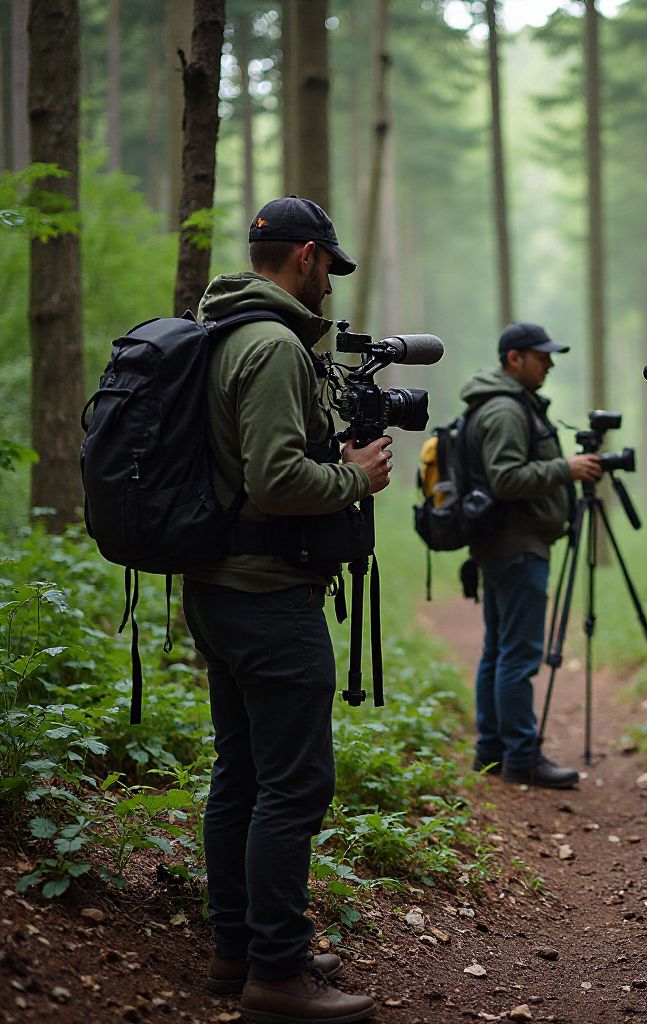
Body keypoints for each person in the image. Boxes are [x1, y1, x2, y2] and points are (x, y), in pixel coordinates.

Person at [183, 196, 390, 1022]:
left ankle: (237, 947)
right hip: (267, 597)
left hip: (219, 588)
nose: (330, 288)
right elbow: (274, 480)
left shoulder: (220, 330)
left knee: (241, 775)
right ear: (305, 257)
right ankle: (277, 972)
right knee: (293, 786)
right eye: (328, 271)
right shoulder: (272, 346)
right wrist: (354, 477)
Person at [459, 322, 602, 789]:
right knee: (517, 656)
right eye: (542, 356)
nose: (550, 364)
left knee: (498, 651)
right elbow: (505, 478)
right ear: (514, 358)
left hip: (504, 544)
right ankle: (522, 756)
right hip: (517, 546)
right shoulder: (504, 409)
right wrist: (568, 468)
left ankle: (492, 751)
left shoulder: (502, 403)